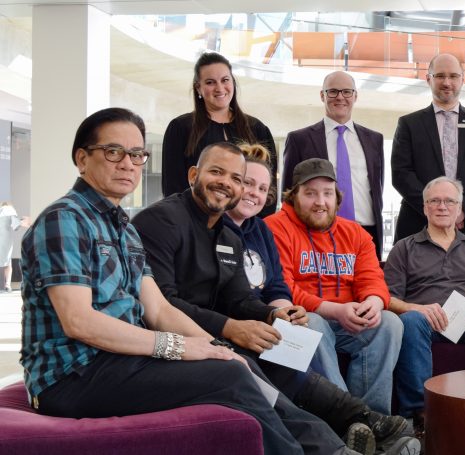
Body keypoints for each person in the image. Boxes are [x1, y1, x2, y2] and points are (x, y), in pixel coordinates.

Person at [19, 107, 350, 455]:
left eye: (136, 154)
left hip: (120, 360)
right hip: (71, 375)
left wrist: (215, 347)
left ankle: (332, 446)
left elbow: (159, 309)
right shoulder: (65, 219)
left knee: (235, 364)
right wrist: (180, 347)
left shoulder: (124, 229)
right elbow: (79, 322)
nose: (128, 164)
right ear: (82, 159)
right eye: (114, 152)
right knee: (229, 375)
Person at [133, 145, 416, 454]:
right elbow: (162, 305)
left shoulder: (228, 235)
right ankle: (336, 447)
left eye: (236, 178)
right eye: (216, 172)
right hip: (176, 339)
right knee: (248, 370)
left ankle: (363, 421)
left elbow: (239, 297)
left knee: (283, 352)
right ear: (193, 175)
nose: (226, 183)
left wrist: (272, 315)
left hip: (215, 332)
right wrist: (231, 328)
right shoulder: (162, 220)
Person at [265, 158, 404, 416]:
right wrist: (335, 310)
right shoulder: (275, 227)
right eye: (310, 193)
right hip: (304, 317)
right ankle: (346, 417)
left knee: (389, 323)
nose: (320, 202)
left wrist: (373, 302)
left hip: (347, 320)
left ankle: (374, 417)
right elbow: (281, 287)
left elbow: (372, 279)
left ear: (337, 198)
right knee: (313, 323)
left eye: (327, 193)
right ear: (294, 196)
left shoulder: (356, 233)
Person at [384, 176, 465, 427]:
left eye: (449, 201)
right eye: (434, 201)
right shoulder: (404, 248)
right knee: (410, 321)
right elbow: (387, 298)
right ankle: (420, 414)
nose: (442, 207)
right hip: (425, 322)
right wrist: (415, 308)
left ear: (459, 208)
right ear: (425, 208)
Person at [225, 143, 349, 391]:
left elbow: (276, 287)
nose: (254, 193)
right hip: (238, 327)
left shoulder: (260, 229)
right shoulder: (214, 228)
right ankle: (346, 408)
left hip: (267, 320)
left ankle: (345, 406)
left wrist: (287, 312)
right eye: (248, 183)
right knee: (310, 328)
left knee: (302, 329)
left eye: (262, 188)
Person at [392, 53, 465, 246]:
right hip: (419, 223)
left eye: (453, 76)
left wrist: (462, 210)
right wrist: (434, 209)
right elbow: (401, 173)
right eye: (440, 76)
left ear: (462, 80)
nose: (447, 82)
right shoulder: (409, 124)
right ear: (428, 79)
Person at [281, 71, 386, 258]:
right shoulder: (300, 140)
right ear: (322, 95)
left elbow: (377, 188)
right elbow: (288, 194)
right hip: (317, 233)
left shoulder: (374, 140)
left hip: (366, 233)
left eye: (346, 92)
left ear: (355, 96)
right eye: (333, 91)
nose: (340, 97)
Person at [162, 51, 278, 218]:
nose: (219, 88)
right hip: (197, 222)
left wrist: (256, 226)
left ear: (233, 82)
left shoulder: (257, 129)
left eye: (225, 80)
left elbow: (268, 189)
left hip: (248, 225)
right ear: (198, 87)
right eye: (210, 82)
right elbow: (172, 188)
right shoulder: (181, 128)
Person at [0, 201, 27, 293]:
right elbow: (15, 225)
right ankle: (7, 285)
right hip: (5, 238)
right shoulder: (10, 210)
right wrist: (23, 222)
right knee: (8, 261)